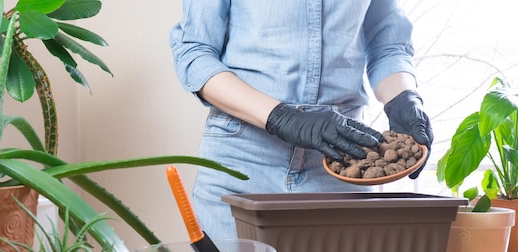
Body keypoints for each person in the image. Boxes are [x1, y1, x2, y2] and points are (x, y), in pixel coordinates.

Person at [169, 1, 434, 239]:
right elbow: (195, 52)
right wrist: (280, 117)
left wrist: (403, 98)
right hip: (243, 160)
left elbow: (387, 45)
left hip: (340, 160)